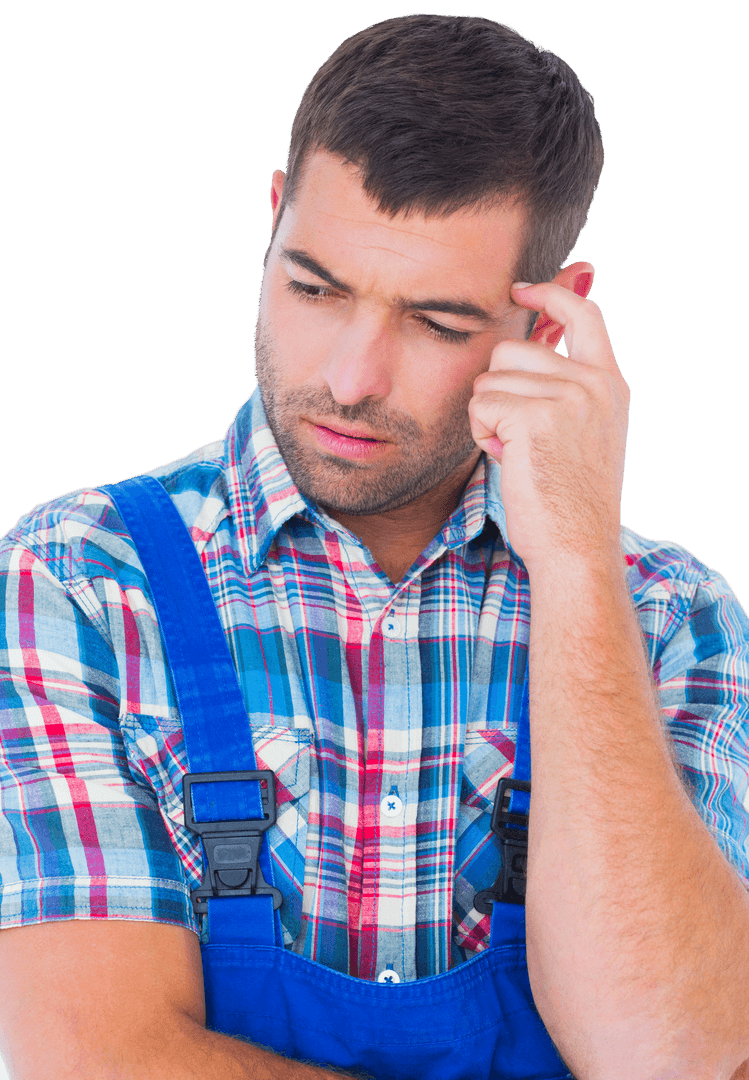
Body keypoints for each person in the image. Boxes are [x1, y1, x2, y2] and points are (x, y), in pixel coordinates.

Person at [0, 12, 748, 1080]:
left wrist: (577, 565)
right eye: (315, 286)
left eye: (436, 322)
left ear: (547, 327)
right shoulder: (81, 580)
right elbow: (99, 1060)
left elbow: (672, 1053)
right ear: (272, 218)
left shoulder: (670, 617)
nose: (351, 376)